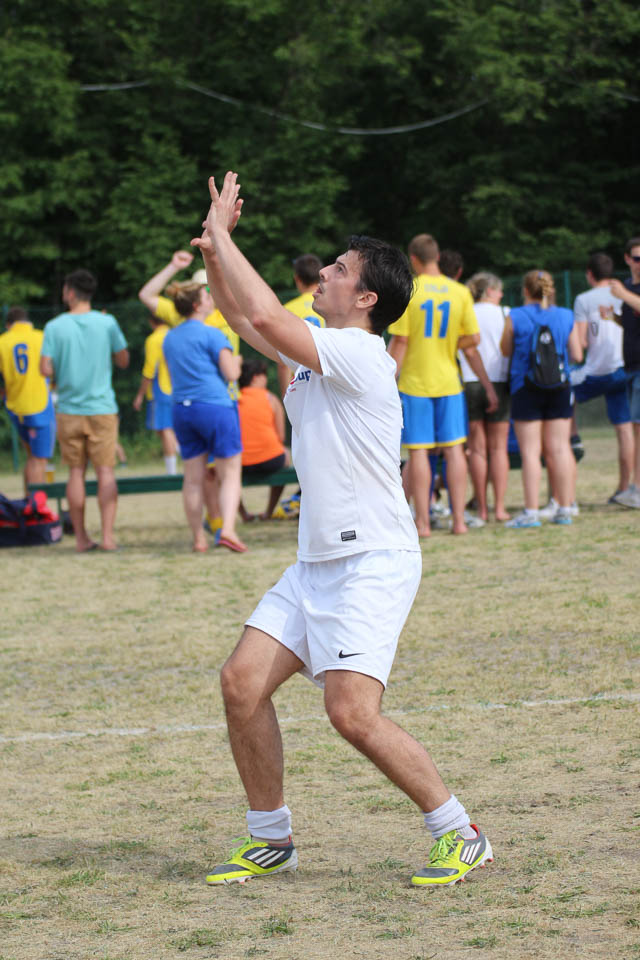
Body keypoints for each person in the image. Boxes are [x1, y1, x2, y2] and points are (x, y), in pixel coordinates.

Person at [192, 171, 493, 889]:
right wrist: (213, 252)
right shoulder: (316, 352)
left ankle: (461, 833)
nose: (323, 273)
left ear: (366, 299)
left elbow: (265, 317)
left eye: (338, 269)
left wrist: (228, 238)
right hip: (316, 562)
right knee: (241, 683)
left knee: (352, 714)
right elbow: (243, 318)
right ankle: (271, 838)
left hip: (373, 562)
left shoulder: (359, 353)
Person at [387, 234, 498, 536]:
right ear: (437, 257)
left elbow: (401, 341)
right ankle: (459, 521)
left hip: (415, 384)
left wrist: (384, 379)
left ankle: (423, 523)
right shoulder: (459, 292)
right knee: (454, 450)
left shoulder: (409, 290)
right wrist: (448, 344)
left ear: (413, 259)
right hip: (450, 382)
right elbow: (473, 339)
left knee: (419, 453)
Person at [40, 270, 129, 552]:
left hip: (68, 409)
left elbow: (45, 368)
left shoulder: (54, 327)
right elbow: (124, 360)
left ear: (70, 292)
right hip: (102, 408)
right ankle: (108, 538)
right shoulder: (107, 322)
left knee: (75, 473)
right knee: (106, 472)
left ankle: (81, 539)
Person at [162, 279, 244, 552]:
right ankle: (228, 530)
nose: (211, 299)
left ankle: (198, 538)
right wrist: (237, 363)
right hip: (215, 407)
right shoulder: (213, 334)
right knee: (229, 472)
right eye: (207, 296)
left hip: (182, 410)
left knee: (192, 478)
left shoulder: (170, 337)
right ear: (198, 305)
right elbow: (231, 374)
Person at [500, 270, 582, 528]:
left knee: (530, 453)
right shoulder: (566, 315)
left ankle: (531, 512)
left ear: (525, 291)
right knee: (560, 448)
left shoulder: (515, 316)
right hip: (560, 387)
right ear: (551, 288)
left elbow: (505, 350)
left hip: (526, 388)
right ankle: (565, 508)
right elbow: (577, 354)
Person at [569, 253, 632, 506]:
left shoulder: (584, 299)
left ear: (589, 274)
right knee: (625, 429)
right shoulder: (626, 293)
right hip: (623, 368)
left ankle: (573, 439)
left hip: (597, 370)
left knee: (563, 392)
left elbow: (581, 343)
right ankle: (624, 488)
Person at [461, 273, 511, 522]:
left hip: (470, 381)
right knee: (499, 449)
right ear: (490, 291)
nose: (501, 295)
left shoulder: (466, 311)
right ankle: (499, 508)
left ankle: (481, 508)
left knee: (477, 450)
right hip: (499, 381)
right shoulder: (505, 313)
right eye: (499, 290)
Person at [0, 306, 57, 492]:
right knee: (39, 460)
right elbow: (54, 368)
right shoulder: (41, 337)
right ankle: (36, 506)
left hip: (15, 407)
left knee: (31, 456)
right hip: (38, 406)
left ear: (9, 325)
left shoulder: (2, 342)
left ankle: (28, 501)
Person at [607, 237, 640, 508]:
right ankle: (634, 487)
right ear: (628, 259)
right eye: (637, 258)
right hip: (629, 365)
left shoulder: (626, 291)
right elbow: (630, 322)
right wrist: (613, 317)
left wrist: (623, 295)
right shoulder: (628, 286)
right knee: (634, 426)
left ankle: (637, 489)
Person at [237, 358, 289, 521]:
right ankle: (269, 511)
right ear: (256, 377)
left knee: (226, 469)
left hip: (240, 462)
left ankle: (243, 514)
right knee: (286, 455)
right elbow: (281, 437)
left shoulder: (234, 400)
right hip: (271, 460)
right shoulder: (271, 399)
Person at [132, 314, 179, 475]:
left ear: (151, 321)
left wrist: (140, 395)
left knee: (165, 429)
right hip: (177, 388)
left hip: (162, 389)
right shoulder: (175, 334)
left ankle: (172, 471)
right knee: (163, 429)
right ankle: (178, 449)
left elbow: (150, 370)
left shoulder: (154, 339)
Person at [276, 253, 325, 396]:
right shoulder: (332, 307)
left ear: (297, 278)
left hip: (301, 383)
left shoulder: (287, 310)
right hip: (329, 380)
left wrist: (286, 396)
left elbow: (283, 360)